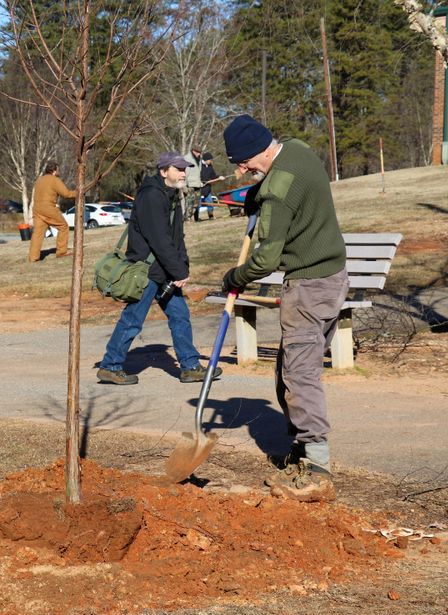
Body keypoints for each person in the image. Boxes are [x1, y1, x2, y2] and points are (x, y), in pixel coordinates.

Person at [220, 114, 348, 502]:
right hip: (335, 276)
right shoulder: (297, 150)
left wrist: (234, 277)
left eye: (244, 164)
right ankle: (300, 449)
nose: (243, 171)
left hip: (309, 287)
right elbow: (276, 184)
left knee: (299, 373)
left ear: (258, 152)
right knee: (288, 367)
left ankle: (318, 469)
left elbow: (265, 261)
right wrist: (255, 195)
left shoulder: (276, 191)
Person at [96, 151, 224, 385]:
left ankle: (190, 367)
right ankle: (110, 366)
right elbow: (159, 239)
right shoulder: (152, 196)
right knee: (133, 319)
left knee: (180, 316)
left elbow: (176, 237)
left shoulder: (171, 194)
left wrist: (182, 267)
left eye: (185, 169)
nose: (184, 173)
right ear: (164, 171)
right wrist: (178, 271)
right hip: (146, 272)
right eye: (179, 169)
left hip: (164, 270)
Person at [28, 161, 76, 262]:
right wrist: (78, 192)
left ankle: (33, 257)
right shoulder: (54, 180)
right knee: (63, 226)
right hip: (48, 208)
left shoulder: (39, 180)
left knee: (37, 233)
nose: (59, 172)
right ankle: (62, 252)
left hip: (37, 209)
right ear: (54, 170)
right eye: (58, 169)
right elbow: (66, 194)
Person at [184, 146, 205, 222]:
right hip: (190, 184)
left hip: (197, 184)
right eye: (198, 152)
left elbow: (199, 172)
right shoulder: (187, 159)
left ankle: (192, 217)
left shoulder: (199, 159)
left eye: (200, 152)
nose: (199, 154)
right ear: (193, 151)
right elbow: (185, 172)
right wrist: (184, 185)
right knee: (189, 202)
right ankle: (187, 218)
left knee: (196, 203)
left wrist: (200, 182)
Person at [198, 151, 219, 221]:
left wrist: (219, 177)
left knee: (210, 202)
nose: (211, 161)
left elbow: (213, 176)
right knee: (198, 203)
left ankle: (211, 216)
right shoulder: (199, 165)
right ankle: (196, 217)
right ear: (206, 160)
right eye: (210, 160)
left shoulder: (210, 166)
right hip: (199, 187)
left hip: (207, 187)